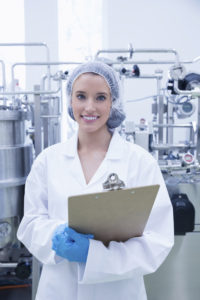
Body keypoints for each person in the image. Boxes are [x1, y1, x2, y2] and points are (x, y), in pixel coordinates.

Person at [17, 61, 174, 300]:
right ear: (70, 101)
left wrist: (94, 255)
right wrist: (55, 236)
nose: (89, 107)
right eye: (81, 96)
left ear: (113, 103)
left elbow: (158, 240)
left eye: (100, 97)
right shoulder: (48, 161)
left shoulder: (140, 162)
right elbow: (30, 224)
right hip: (59, 289)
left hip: (119, 292)